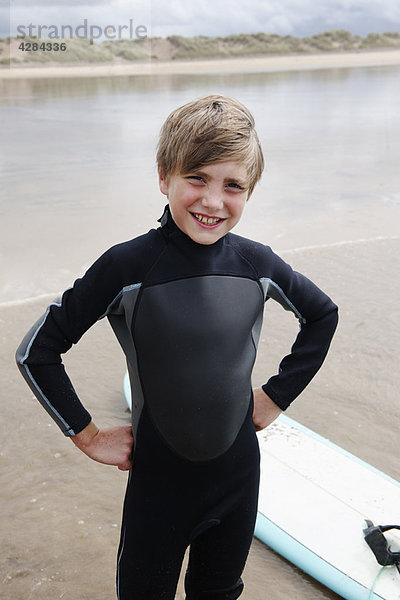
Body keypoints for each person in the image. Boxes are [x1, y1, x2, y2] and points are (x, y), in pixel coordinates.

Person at [16, 94, 338, 600]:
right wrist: (88, 435)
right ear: (164, 174)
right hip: (158, 491)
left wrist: (276, 396)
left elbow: (323, 315)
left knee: (220, 592)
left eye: (232, 185)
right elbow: (37, 351)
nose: (213, 201)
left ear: (249, 190)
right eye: (197, 178)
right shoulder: (127, 267)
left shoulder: (258, 264)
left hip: (237, 481)